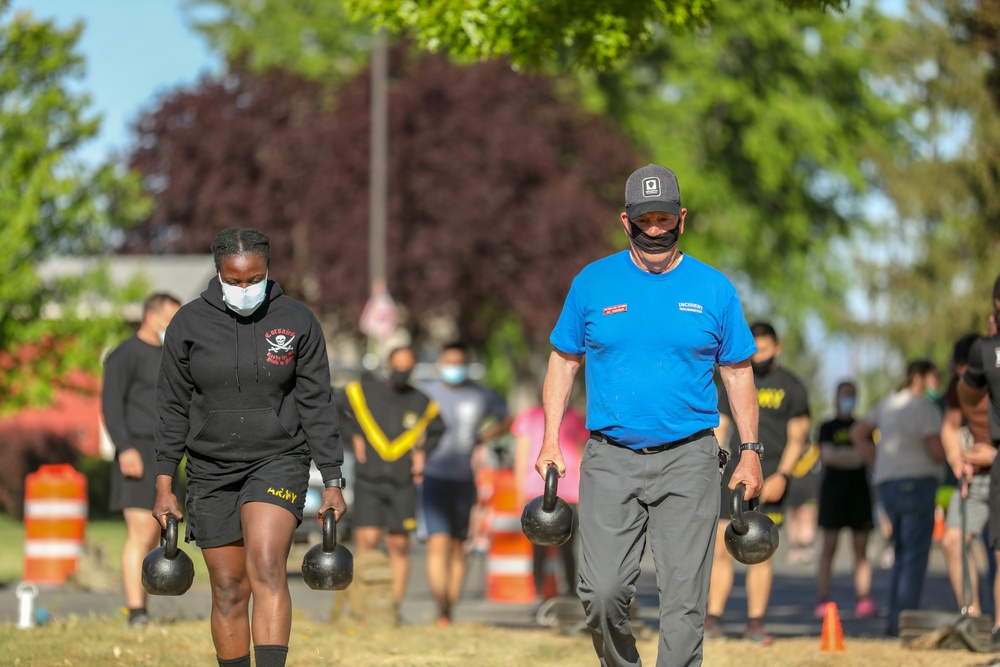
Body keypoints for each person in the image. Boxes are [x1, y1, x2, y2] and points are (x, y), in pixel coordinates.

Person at [536, 164, 762, 667]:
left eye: (664, 219)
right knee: (600, 593)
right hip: (610, 458)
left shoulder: (714, 288)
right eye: (644, 220)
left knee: (684, 604)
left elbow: (739, 372)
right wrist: (551, 439)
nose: (654, 230)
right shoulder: (593, 283)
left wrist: (750, 451)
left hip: (691, 460)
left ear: (682, 219)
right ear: (626, 221)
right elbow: (563, 361)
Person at [153, 227, 346, 667]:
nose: (245, 288)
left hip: (278, 459)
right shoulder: (187, 323)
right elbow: (170, 408)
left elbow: (317, 403)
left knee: (266, 566)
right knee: (228, 589)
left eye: (253, 279)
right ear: (219, 273)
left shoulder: (298, 321)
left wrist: (333, 479)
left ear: (268, 270)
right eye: (234, 280)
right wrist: (165, 484)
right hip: (210, 468)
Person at [707, 321, 810, 645]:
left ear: (777, 348)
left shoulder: (792, 386)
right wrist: (716, 465)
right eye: (756, 349)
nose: (759, 355)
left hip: (771, 480)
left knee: (761, 552)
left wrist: (784, 475)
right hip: (733, 477)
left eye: (765, 349)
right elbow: (720, 427)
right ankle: (713, 621)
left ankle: (755, 624)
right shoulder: (734, 380)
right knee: (722, 549)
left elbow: (798, 437)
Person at [336, 346, 445, 616]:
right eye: (397, 367)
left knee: (399, 544)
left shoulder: (422, 402)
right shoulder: (362, 391)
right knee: (368, 541)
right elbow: (332, 409)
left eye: (407, 369)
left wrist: (422, 452)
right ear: (387, 365)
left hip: (402, 482)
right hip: (369, 480)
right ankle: (361, 607)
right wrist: (353, 437)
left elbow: (438, 429)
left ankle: (392, 609)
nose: (401, 373)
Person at [101, 292, 181, 627]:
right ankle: (136, 611)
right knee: (141, 532)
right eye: (170, 317)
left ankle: (145, 607)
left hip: (166, 452)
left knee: (159, 532)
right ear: (152, 315)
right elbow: (110, 404)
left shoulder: (171, 356)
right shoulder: (124, 354)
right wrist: (124, 447)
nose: (174, 325)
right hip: (135, 449)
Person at [419, 341, 511, 626]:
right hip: (433, 477)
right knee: (437, 543)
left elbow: (507, 418)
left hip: (464, 479)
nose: (453, 369)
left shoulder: (480, 395)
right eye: (449, 363)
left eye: (459, 363)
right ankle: (441, 610)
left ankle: (450, 607)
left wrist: (485, 437)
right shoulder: (426, 393)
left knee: (459, 547)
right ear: (440, 363)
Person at [852, 359, 944, 637]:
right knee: (914, 556)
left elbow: (859, 433)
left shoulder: (888, 403)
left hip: (888, 483)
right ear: (920, 378)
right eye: (934, 377)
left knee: (901, 551)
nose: (937, 384)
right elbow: (937, 450)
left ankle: (894, 618)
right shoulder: (923, 407)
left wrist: (876, 463)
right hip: (917, 481)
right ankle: (906, 622)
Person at [512, 395, 587, 607]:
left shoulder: (574, 418)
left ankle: (570, 594)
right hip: (536, 490)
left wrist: (584, 492)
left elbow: (581, 456)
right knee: (538, 548)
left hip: (569, 491)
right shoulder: (529, 418)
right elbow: (521, 455)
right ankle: (538, 594)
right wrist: (519, 492)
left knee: (568, 547)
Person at [813, 380, 877, 620]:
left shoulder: (864, 427)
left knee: (861, 548)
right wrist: (854, 455)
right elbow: (828, 457)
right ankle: (823, 598)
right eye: (844, 395)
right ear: (836, 397)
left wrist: (848, 456)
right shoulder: (827, 426)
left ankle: (864, 599)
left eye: (852, 394)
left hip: (859, 493)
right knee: (829, 547)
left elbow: (868, 458)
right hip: (833, 494)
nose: (848, 399)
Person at [959, 277, 1000, 644]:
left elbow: (968, 398)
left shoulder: (989, 355)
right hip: (984, 467)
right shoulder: (985, 355)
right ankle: (980, 619)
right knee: (964, 539)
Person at [942, 334, 994, 617]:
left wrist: (994, 455)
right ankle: (971, 618)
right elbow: (949, 427)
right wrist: (956, 458)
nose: (965, 382)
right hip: (973, 477)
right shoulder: (957, 386)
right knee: (952, 540)